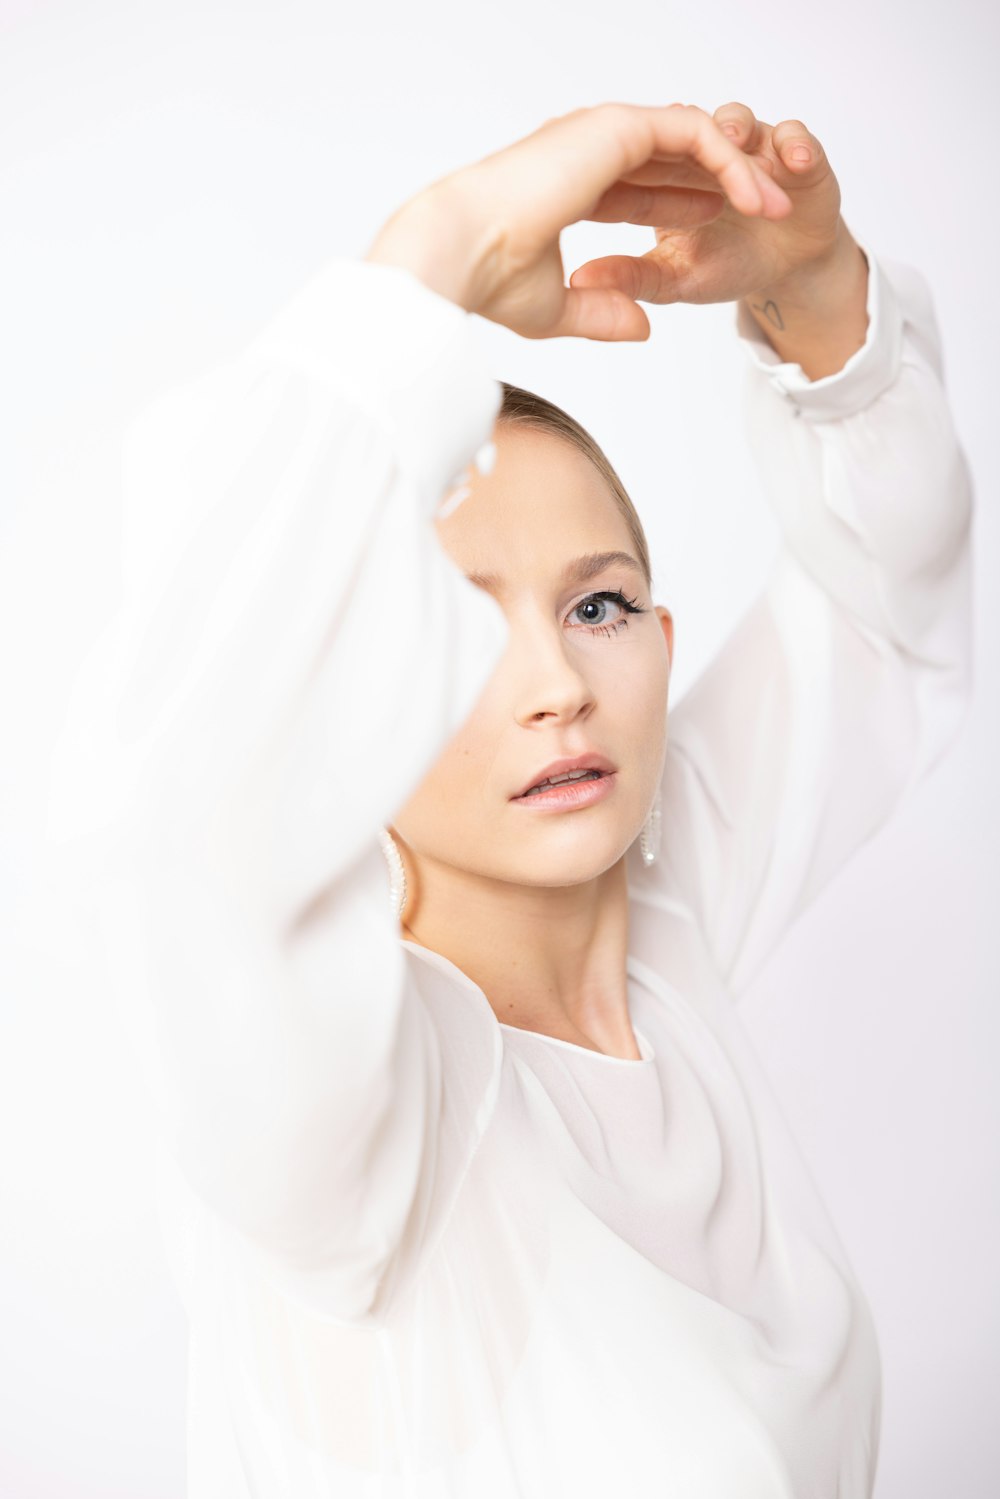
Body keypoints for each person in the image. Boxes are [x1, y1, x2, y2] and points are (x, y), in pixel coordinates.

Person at [48, 101, 973, 1495]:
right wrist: (437, 254)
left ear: (662, 645)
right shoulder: (355, 1130)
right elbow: (181, 818)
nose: (556, 686)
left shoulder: (663, 937)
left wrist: (816, 290)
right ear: (340, 703)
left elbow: (882, 608)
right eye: (461, 633)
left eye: (597, 604)